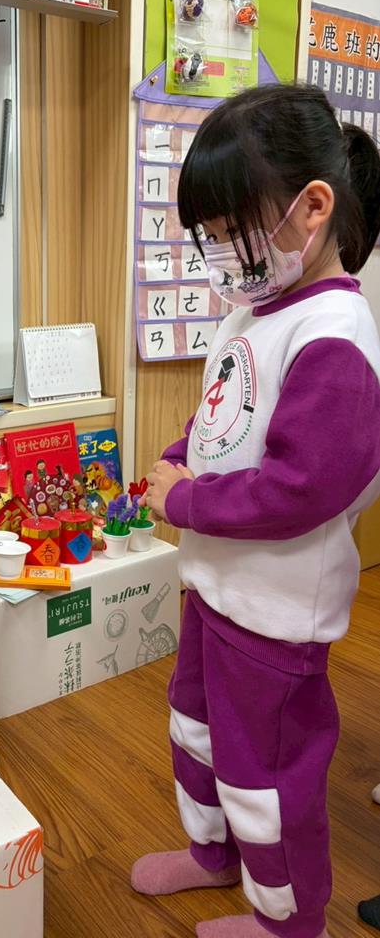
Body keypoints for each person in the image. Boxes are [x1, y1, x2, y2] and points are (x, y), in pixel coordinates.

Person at [131, 84, 380, 938]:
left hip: (274, 613)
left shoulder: (334, 334)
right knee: (195, 730)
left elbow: (302, 487)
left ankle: (289, 921)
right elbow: (224, 424)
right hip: (216, 586)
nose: (217, 252)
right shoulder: (254, 310)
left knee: (267, 778)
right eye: (206, 233)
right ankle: (212, 856)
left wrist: (186, 500)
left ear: (311, 208)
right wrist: (179, 458)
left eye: (231, 228)